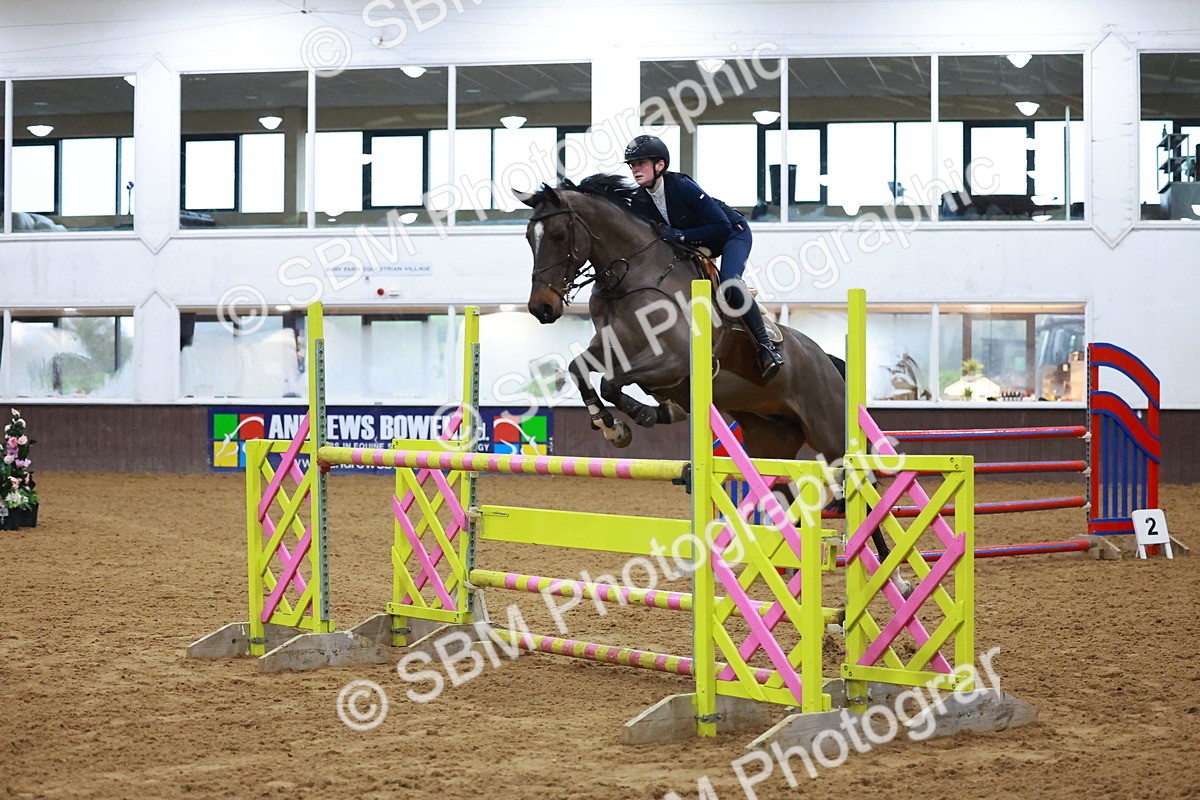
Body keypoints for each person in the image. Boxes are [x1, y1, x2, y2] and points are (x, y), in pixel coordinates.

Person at [622, 135, 784, 379]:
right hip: (696, 245)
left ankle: (766, 348)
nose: (635, 170)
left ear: (660, 165)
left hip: (732, 233)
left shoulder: (681, 186)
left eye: (640, 163)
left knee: (729, 284)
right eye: (632, 165)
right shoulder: (640, 200)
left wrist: (680, 235)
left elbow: (721, 226)